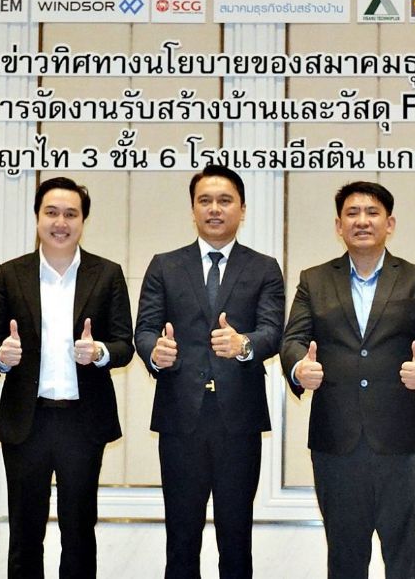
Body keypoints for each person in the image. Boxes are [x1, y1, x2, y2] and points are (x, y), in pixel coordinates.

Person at [280, 181, 415, 579]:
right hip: (336, 442)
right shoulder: (314, 280)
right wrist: (299, 368)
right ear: (338, 225)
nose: (362, 220)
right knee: (345, 560)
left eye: (372, 212)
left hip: (402, 443)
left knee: (407, 561)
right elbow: (293, 340)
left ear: (389, 223)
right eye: (352, 213)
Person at [135, 165, 285, 579]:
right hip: (180, 417)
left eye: (224, 201)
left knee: (235, 538)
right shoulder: (165, 265)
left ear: (242, 209)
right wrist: (156, 352)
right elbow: (144, 330)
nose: (214, 209)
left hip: (239, 420)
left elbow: (273, 331)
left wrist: (244, 345)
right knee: (181, 537)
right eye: (205, 201)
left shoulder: (264, 267)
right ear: (193, 210)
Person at [0, 176, 134, 578]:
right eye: (51, 212)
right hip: (26, 423)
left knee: (79, 531)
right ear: (37, 218)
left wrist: (99, 352)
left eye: (71, 214)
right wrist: (2, 356)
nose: (60, 222)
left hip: (82, 423)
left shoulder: (107, 274)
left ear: (83, 221)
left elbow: (125, 344)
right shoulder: (10, 274)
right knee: (25, 534)